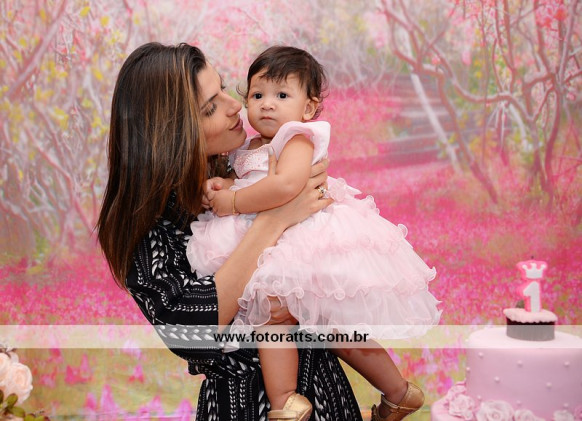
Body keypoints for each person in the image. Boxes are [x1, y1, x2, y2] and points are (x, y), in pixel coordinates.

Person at [96, 42, 365, 421]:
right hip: (244, 405)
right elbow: (191, 332)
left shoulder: (239, 167)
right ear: (170, 133)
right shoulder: (149, 224)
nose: (234, 105)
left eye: (223, 88)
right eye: (210, 107)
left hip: (324, 391)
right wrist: (274, 219)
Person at [186, 46, 441, 421]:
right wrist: (223, 184)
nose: (267, 104)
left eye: (281, 95)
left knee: (279, 319)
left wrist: (233, 202)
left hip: (304, 242)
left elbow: (286, 186)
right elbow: (254, 179)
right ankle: (398, 393)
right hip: (281, 240)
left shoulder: (297, 137)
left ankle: (286, 400)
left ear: (308, 108)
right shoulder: (250, 145)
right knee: (323, 327)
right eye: (257, 95)